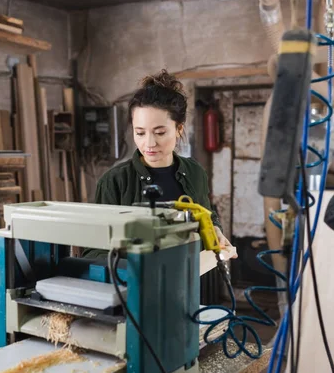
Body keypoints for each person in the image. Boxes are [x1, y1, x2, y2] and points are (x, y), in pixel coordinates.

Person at [84, 69, 235, 258]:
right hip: (132, 285)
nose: (149, 143)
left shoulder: (195, 172)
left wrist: (216, 232)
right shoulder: (114, 182)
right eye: (140, 133)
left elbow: (207, 216)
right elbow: (94, 251)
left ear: (179, 129)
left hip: (189, 279)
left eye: (160, 132)